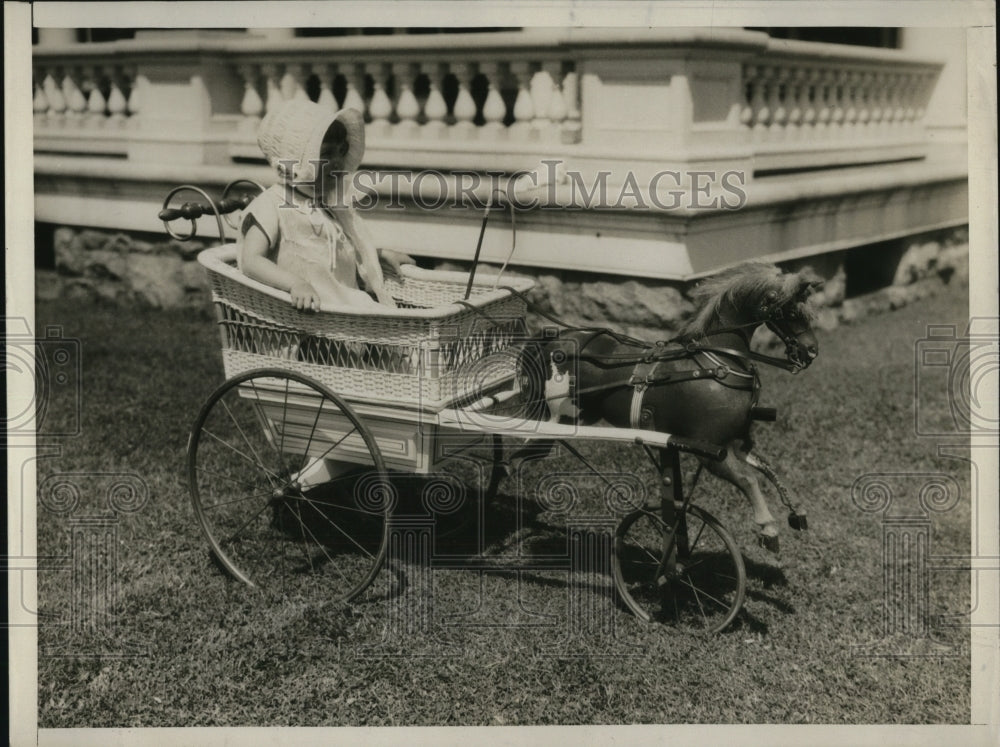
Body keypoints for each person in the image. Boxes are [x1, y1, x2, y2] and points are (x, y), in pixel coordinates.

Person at [239, 99, 412, 311]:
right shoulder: (273, 203)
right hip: (302, 318)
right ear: (296, 161)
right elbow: (251, 260)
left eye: (342, 150)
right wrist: (295, 284)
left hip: (341, 312)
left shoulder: (330, 205)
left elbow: (339, 253)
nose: (339, 161)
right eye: (327, 154)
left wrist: (376, 254)